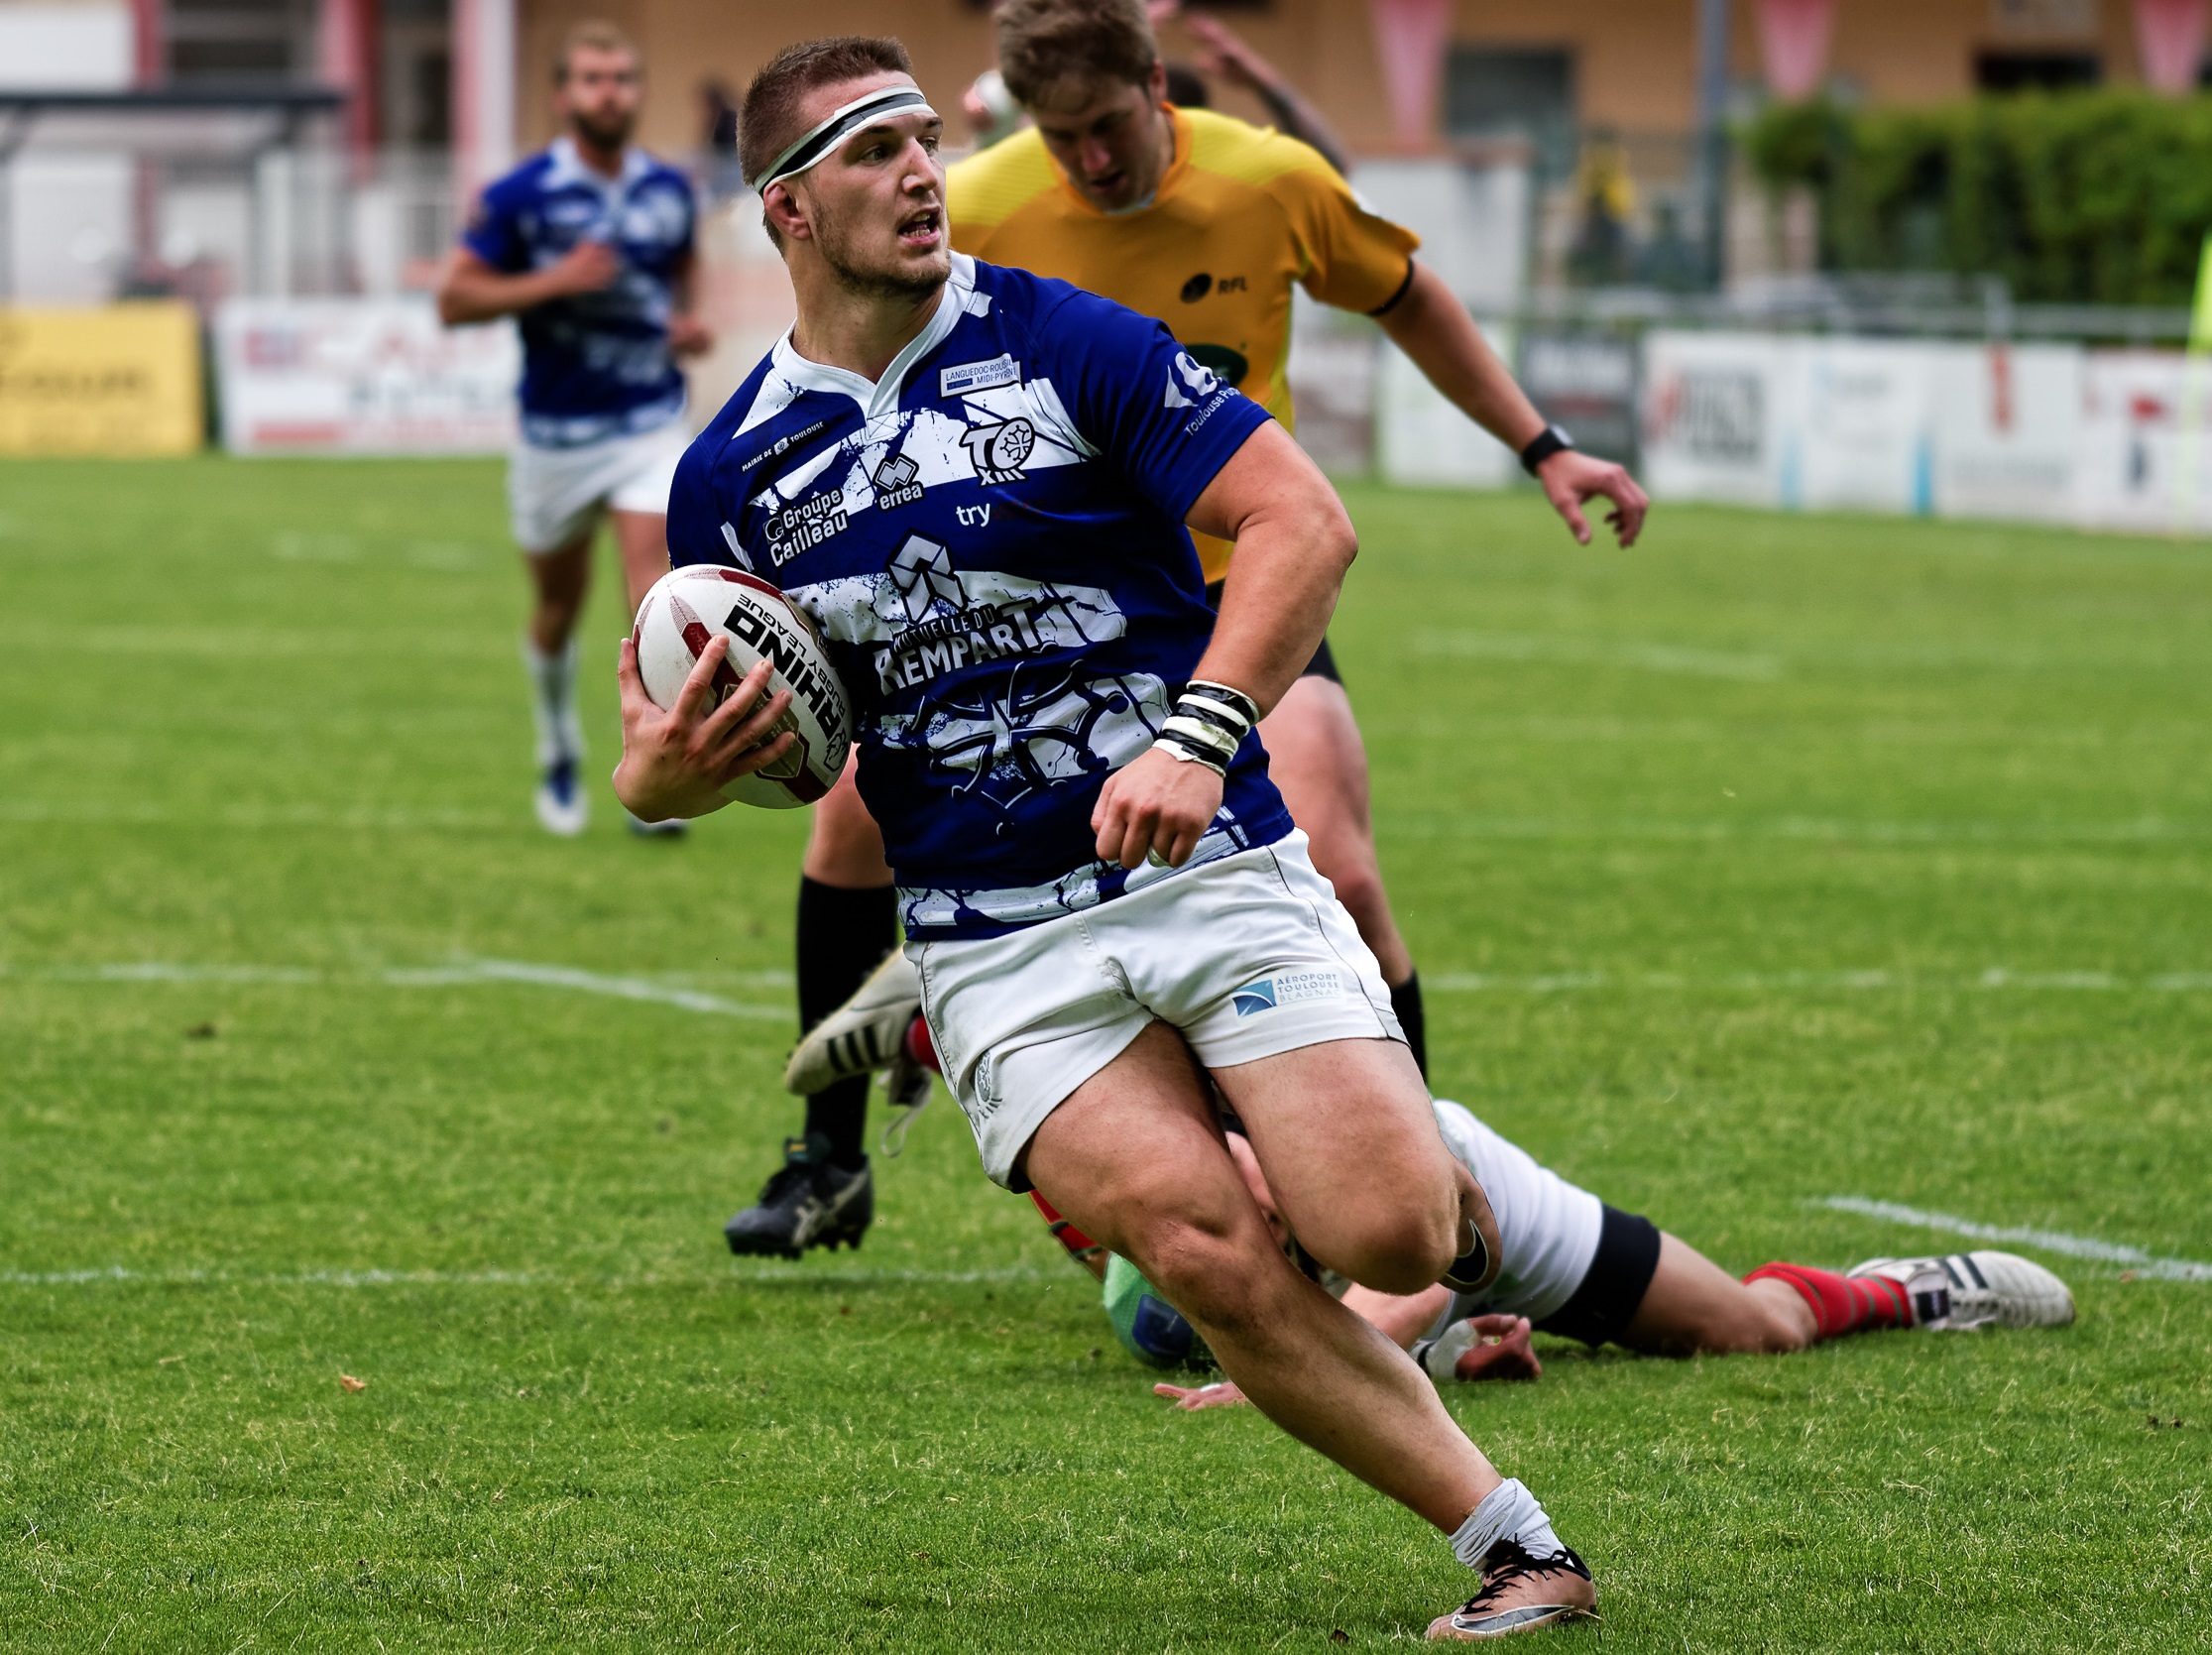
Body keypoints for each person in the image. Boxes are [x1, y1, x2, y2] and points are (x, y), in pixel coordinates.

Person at [617, 36, 1599, 1639]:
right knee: (1206, 1252)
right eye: (873, 151)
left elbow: (1303, 520)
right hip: (996, 936)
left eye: (926, 138)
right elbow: (715, 746)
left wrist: (1200, 733)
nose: (923, 170)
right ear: (788, 208)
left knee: (1387, 1229)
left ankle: (1469, 1197)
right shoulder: (733, 471)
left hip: (1203, 862)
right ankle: (1517, 1545)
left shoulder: (1066, 339)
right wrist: (662, 783)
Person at [726, 0, 1649, 1259]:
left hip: (1237, 585)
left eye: (1106, 128)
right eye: (1060, 140)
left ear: (1158, 88)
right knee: (848, 826)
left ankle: (1416, 1190)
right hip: (1044, 591)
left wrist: (1539, 447)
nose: (1088, 162)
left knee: (1352, 872)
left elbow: (1407, 299)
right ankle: (829, 1156)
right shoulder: (976, 200)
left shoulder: (1268, 182)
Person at [1067, 1101, 2079, 1406]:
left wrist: (1279, 1382)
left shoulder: (1322, 1109)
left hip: (1484, 1213)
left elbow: (1406, 1284)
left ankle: (1907, 1291)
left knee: (1751, 1331)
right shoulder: (1153, 1262)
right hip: (1375, 1286)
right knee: (1170, 1334)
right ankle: (1468, 1351)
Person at [436, 19, 712, 839]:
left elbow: (683, 270)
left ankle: (652, 769)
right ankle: (557, 741)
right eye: (592, 78)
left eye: (622, 77)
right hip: (556, 437)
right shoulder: (520, 195)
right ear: (562, 96)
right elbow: (456, 299)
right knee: (557, 607)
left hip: (649, 423)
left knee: (654, 591)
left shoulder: (668, 187)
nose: (609, 92)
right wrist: (553, 281)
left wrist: (686, 322)